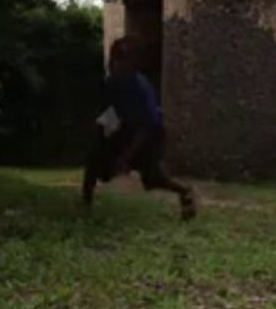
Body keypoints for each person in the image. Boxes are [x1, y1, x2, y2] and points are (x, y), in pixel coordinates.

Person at [84, 37, 197, 220]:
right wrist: (102, 140)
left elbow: (144, 129)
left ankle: (185, 191)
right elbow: (107, 114)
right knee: (95, 159)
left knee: (153, 178)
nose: (113, 64)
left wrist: (125, 159)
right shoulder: (111, 83)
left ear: (130, 64)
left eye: (120, 60)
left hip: (150, 136)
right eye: (112, 59)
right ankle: (85, 204)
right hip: (126, 129)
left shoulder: (139, 88)